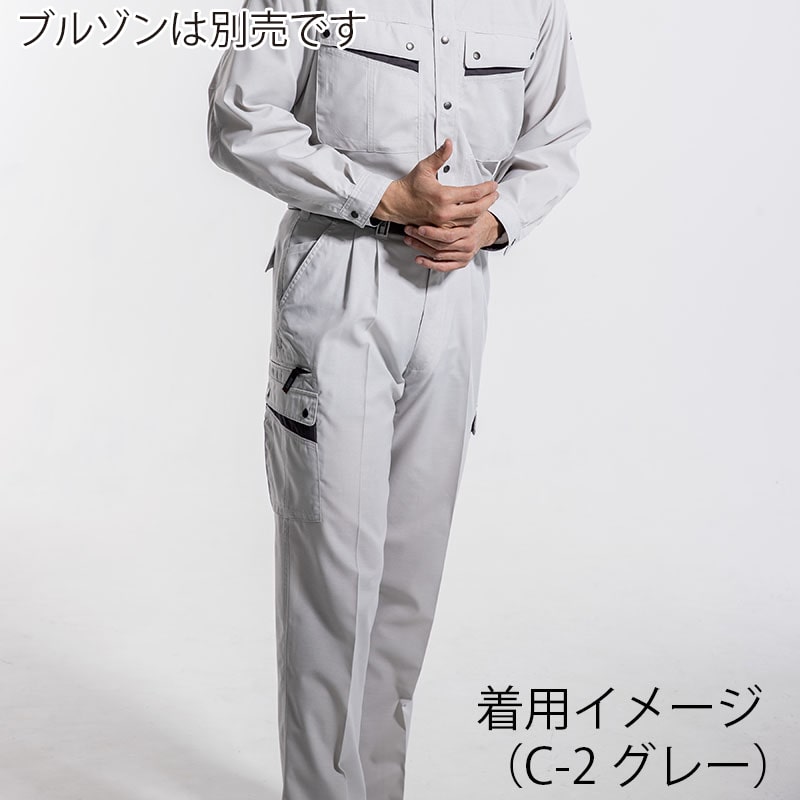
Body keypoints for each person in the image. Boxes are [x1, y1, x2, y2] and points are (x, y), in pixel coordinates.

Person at [206, 1, 591, 799]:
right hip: (340, 274)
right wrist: (380, 196)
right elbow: (239, 116)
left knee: (409, 579)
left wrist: (493, 223)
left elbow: (556, 137)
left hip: (456, 290)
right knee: (333, 573)